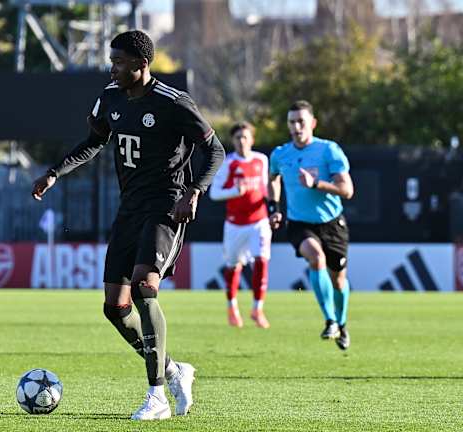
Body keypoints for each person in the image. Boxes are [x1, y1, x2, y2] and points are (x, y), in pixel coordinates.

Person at [31, 30, 225, 420]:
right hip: (130, 209)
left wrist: (195, 191)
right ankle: (172, 370)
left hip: (167, 206)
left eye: (119, 62)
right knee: (114, 307)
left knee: (143, 288)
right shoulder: (110, 98)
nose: (113, 68)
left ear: (142, 64)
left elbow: (214, 150)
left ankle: (157, 397)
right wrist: (55, 173)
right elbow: (93, 142)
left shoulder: (174, 103)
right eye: (112, 61)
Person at [268, 101, 354, 350]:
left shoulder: (329, 151)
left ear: (312, 124)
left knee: (338, 281)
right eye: (291, 122)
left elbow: (347, 190)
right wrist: (274, 208)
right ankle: (329, 320)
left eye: (301, 122)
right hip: (299, 223)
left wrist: (316, 184)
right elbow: (273, 178)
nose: (296, 127)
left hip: (332, 224)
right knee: (316, 258)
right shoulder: (280, 154)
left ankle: (342, 323)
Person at [209, 121, 271, 329]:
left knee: (262, 260)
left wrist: (273, 209)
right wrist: (235, 192)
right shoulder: (228, 164)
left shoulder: (262, 160)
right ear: (233, 141)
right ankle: (232, 306)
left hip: (259, 221)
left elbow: (265, 189)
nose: (242, 141)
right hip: (235, 224)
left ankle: (257, 308)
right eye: (237, 138)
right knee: (233, 266)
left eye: (245, 137)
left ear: (252, 139)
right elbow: (214, 194)